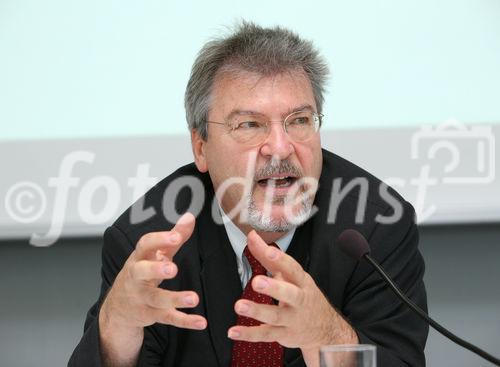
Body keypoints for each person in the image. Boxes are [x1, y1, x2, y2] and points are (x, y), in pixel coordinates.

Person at [69, 22, 428, 367]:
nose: (280, 147)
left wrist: (325, 333)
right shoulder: (151, 243)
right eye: (250, 125)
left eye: (300, 120)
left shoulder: (376, 228)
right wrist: (114, 332)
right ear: (201, 148)